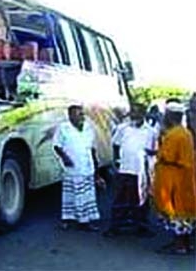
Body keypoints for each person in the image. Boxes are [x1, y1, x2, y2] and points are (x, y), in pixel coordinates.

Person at [105, 104, 156, 237]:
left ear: (144, 114)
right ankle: (115, 227)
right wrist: (116, 162)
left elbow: (153, 151)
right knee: (121, 198)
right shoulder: (122, 129)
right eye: (133, 112)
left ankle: (141, 227)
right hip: (125, 169)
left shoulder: (151, 131)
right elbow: (115, 145)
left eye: (138, 112)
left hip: (141, 172)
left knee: (141, 199)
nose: (135, 115)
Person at [154, 103, 196, 254]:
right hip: (184, 179)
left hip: (173, 179)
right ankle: (186, 244)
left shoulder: (173, 135)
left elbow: (167, 157)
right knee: (184, 212)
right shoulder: (186, 133)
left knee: (175, 213)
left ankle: (180, 246)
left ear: (170, 116)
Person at [53, 104, 103, 231]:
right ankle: (69, 219)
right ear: (70, 116)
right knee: (69, 195)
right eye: (78, 114)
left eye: (82, 113)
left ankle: (85, 221)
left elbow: (92, 149)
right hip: (72, 168)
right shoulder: (63, 128)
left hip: (87, 166)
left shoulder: (87, 128)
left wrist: (97, 172)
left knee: (86, 195)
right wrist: (65, 158)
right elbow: (56, 146)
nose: (82, 116)